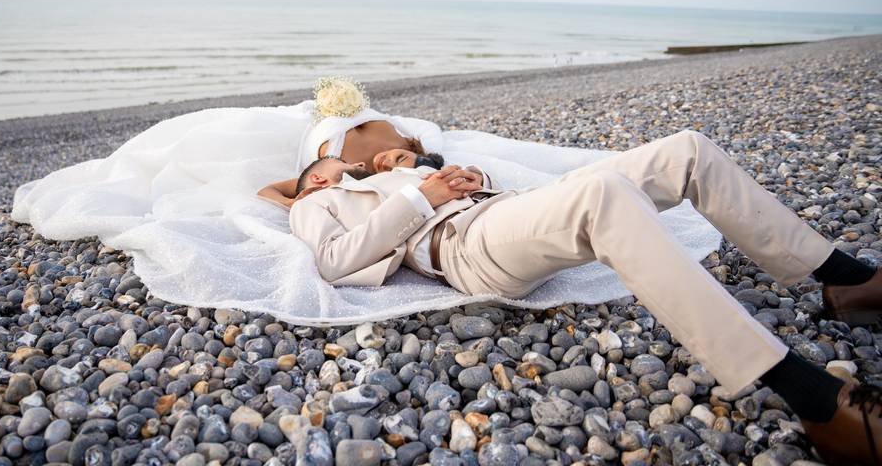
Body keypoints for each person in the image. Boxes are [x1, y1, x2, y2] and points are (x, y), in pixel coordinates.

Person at [287, 129, 882, 465]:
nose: (360, 163)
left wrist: (469, 181)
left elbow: (499, 200)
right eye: (342, 161)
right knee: (602, 193)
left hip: (502, 214)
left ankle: (843, 275)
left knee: (687, 150)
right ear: (317, 175)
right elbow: (336, 261)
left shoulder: (404, 173)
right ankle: (813, 399)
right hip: (466, 247)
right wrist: (422, 197)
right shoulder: (319, 203)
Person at [259, 147, 447, 208]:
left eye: (389, 171)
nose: (386, 163)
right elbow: (267, 191)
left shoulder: (361, 178)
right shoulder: (339, 169)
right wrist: (292, 203)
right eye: (399, 157)